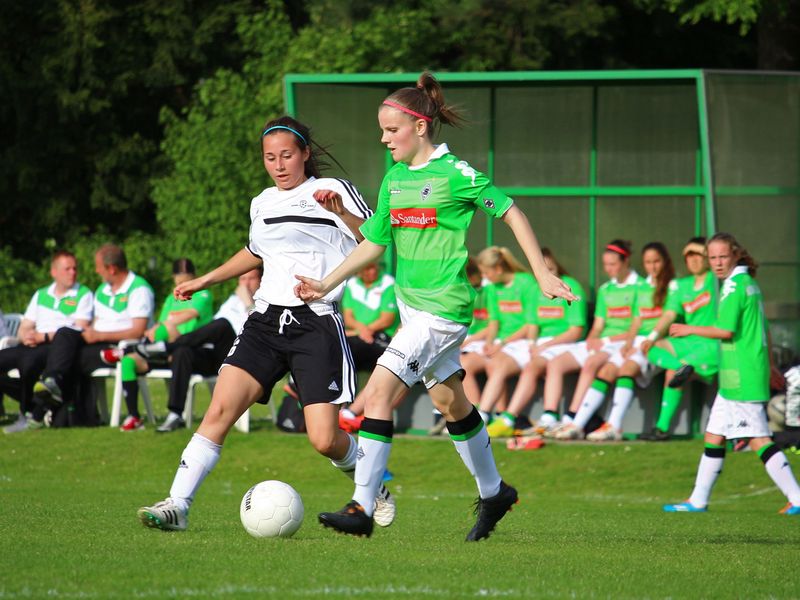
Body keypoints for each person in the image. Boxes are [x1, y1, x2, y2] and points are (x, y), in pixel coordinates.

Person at [295, 72, 576, 540]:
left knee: (380, 393)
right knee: (451, 403)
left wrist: (541, 272)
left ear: (420, 127)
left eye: (391, 130)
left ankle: (363, 506)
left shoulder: (455, 174)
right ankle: (494, 492)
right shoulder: (395, 179)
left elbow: (510, 210)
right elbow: (374, 243)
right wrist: (326, 283)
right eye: (382, 130)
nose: (383, 139)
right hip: (412, 310)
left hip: (442, 311)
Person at [136, 115, 397, 533]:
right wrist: (205, 279)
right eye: (270, 157)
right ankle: (177, 505)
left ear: (305, 154)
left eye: (287, 156)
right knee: (219, 409)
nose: (278, 165)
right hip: (264, 322)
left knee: (324, 439)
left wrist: (342, 213)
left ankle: (372, 484)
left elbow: (376, 241)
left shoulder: (333, 192)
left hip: (316, 324)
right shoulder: (262, 202)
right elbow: (254, 251)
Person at [663, 233, 800, 515]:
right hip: (737, 376)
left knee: (759, 440)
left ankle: (797, 497)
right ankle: (698, 501)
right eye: (712, 258)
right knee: (713, 435)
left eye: (722, 256)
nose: (717, 263)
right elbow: (764, 329)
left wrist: (688, 329)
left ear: (736, 254)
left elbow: (725, 331)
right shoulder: (748, 283)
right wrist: (771, 366)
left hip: (741, 376)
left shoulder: (735, 286)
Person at [555, 242, 674, 441]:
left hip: (654, 344)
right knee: (606, 370)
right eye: (648, 262)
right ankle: (576, 425)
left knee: (625, 367)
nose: (652, 267)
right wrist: (626, 341)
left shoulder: (668, 287)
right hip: (633, 342)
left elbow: (666, 318)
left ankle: (613, 426)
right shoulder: (641, 288)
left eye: (656, 262)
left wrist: (647, 338)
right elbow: (637, 318)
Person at [122, 268, 261, 433]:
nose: (245, 284)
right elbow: (211, 329)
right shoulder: (231, 301)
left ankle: (166, 347)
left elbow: (257, 331)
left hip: (237, 357)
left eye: (251, 279)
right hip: (213, 355)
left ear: (261, 281)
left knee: (223, 324)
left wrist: (248, 303)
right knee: (183, 352)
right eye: (242, 279)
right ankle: (175, 414)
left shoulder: (265, 302)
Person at [33, 244, 155, 427]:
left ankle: (43, 408)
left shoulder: (139, 289)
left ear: (111, 269)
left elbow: (138, 331)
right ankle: (53, 385)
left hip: (121, 347)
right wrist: (90, 332)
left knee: (68, 358)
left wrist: (98, 336)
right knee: (65, 333)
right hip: (97, 342)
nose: (96, 271)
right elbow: (95, 322)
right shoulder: (102, 290)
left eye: (99, 266)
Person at [536, 240, 640, 436]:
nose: (608, 269)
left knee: (591, 363)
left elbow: (639, 327)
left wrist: (606, 342)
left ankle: (572, 417)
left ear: (626, 262)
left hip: (622, 344)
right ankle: (550, 418)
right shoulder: (605, 289)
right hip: (602, 343)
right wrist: (592, 338)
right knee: (556, 363)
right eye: (605, 264)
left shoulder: (640, 287)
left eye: (613, 264)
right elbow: (599, 325)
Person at [485, 248, 586, 438]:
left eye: (551, 269)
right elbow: (532, 324)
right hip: (540, 345)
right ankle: (503, 417)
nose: (548, 274)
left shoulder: (571, 285)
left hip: (564, 345)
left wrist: (544, 346)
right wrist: (532, 343)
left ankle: (545, 416)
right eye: (543, 270)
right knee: (512, 365)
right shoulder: (534, 289)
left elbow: (575, 331)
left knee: (545, 366)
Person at [107, 258, 213, 431]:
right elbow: (161, 324)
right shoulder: (171, 298)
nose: (183, 286)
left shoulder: (204, 294)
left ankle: (135, 348)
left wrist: (163, 326)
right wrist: (154, 330)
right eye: (179, 281)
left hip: (189, 350)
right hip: (164, 350)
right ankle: (134, 417)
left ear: (194, 277)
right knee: (128, 362)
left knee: (168, 326)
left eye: (187, 281)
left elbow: (190, 315)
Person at [1, 251, 93, 433]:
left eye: (75, 268)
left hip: (55, 347)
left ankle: (27, 414)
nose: (73, 273)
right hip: (31, 343)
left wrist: (42, 337)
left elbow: (78, 329)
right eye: (67, 269)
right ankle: (36, 399)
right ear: (54, 272)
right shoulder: (41, 294)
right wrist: (25, 336)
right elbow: (25, 325)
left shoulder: (83, 294)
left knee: (28, 363)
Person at [639, 238, 719, 441]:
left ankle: (661, 428)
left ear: (707, 257)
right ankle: (680, 368)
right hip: (689, 341)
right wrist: (652, 336)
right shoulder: (681, 286)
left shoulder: (716, 280)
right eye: (688, 256)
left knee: (670, 374)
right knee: (653, 347)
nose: (693, 260)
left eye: (698, 255)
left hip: (712, 342)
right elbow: (669, 315)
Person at [463, 246, 537, 423]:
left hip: (520, 342)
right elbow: (494, 322)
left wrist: (502, 343)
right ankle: (475, 412)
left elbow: (530, 325)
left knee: (496, 365)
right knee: (463, 364)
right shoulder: (494, 289)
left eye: (486, 272)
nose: (485, 277)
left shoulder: (526, 282)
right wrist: (489, 343)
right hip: (500, 342)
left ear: (498, 268)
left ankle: (486, 415)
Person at [337, 261, 400, 433]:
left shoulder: (388, 283)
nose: (372, 271)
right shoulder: (351, 285)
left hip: (381, 337)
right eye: (368, 268)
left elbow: (387, 318)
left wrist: (367, 330)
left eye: (374, 267)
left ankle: (351, 414)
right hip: (360, 335)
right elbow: (348, 318)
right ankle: (339, 410)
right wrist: (362, 330)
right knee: (339, 354)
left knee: (388, 368)